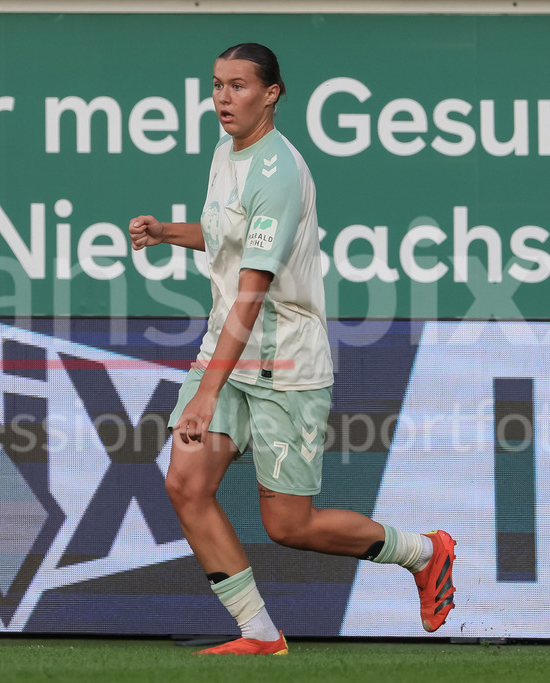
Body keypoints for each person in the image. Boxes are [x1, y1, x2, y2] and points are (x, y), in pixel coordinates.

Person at [129, 43, 456, 656]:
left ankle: (424, 552)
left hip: (285, 361)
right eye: (217, 85)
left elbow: (254, 290)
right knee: (186, 484)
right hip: (227, 348)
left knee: (289, 526)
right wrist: (168, 233)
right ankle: (258, 634)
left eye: (239, 86)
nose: (223, 98)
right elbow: (228, 236)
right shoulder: (226, 153)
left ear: (272, 93)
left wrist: (204, 393)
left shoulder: (281, 172)